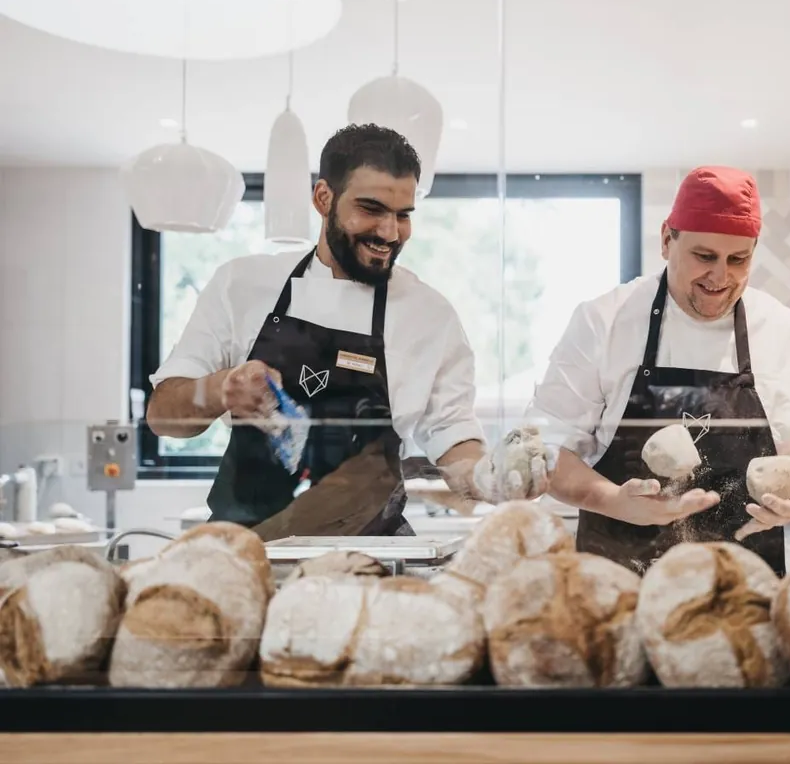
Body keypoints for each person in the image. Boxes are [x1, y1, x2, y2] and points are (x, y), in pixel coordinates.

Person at [147, 123, 542, 540]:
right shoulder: (241, 285)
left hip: (371, 556)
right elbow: (161, 416)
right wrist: (219, 390)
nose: (390, 232)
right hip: (251, 551)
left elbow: (452, 434)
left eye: (403, 214)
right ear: (323, 198)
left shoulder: (430, 315)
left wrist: (488, 478)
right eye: (371, 209)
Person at [525, 166, 790, 576]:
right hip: (618, 588)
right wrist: (612, 500)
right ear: (667, 240)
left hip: (746, 592)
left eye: (739, 259)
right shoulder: (603, 322)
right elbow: (546, 449)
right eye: (705, 256)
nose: (720, 277)